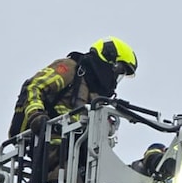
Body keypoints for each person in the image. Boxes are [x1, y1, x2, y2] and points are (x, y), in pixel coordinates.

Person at [8, 36, 138, 139]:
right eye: (119, 69)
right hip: (51, 146)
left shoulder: (96, 96)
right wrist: (36, 116)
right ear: (108, 59)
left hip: (77, 154)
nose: (116, 78)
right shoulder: (71, 68)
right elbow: (34, 86)